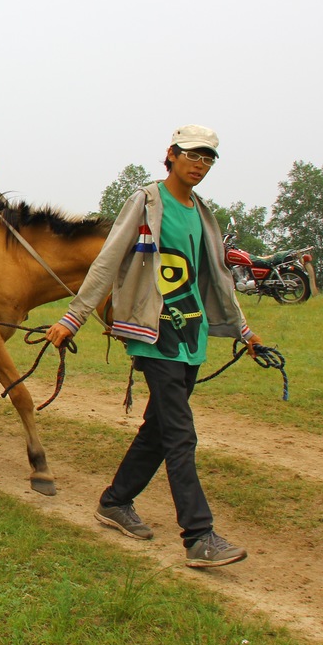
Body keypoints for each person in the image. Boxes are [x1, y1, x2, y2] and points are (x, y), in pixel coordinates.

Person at [45, 125, 265, 569]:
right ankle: (199, 536)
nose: (199, 164)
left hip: (193, 335)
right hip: (155, 333)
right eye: (192, 155)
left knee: (159, 429)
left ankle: (115, 500)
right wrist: (75, 316)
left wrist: (244, 331)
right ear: (171, 154)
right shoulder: (146, 201)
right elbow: (108, 259)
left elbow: (219, 277)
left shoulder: (203, 212)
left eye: (208, 158)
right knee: (181, 434)